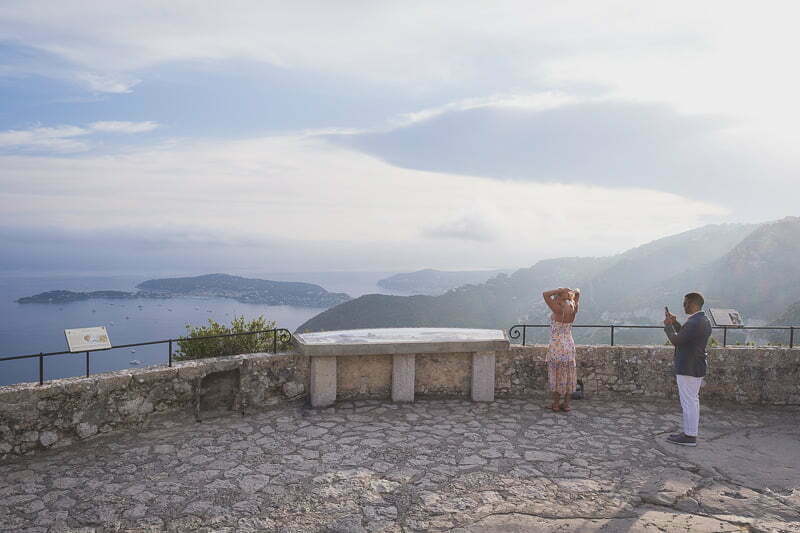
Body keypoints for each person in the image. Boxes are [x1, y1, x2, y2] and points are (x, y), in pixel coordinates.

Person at [663, 292, 712, 447]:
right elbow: (686, 336)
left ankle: (690, 436)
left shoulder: (694, 322)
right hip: (696, 365)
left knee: (688, 402)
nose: (684, 306)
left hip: (688, 367)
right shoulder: (702, 320)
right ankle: (689, 432)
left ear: (693, 304)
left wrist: (668, 325)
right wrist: (676, 323)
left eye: (686, 303)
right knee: (692, 401)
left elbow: (677, 340)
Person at [542, 287, 580, 412]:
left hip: (557, 345)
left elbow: (545, 294)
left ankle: (556, 404)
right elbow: (578, 294)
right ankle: (567, 404)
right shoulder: (573, 307)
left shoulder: (558, 310)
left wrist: (559, 289)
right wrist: (573, 294)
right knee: (569, 374)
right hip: (569, 345)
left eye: (556, 297)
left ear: (558, 297)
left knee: (558, 374)